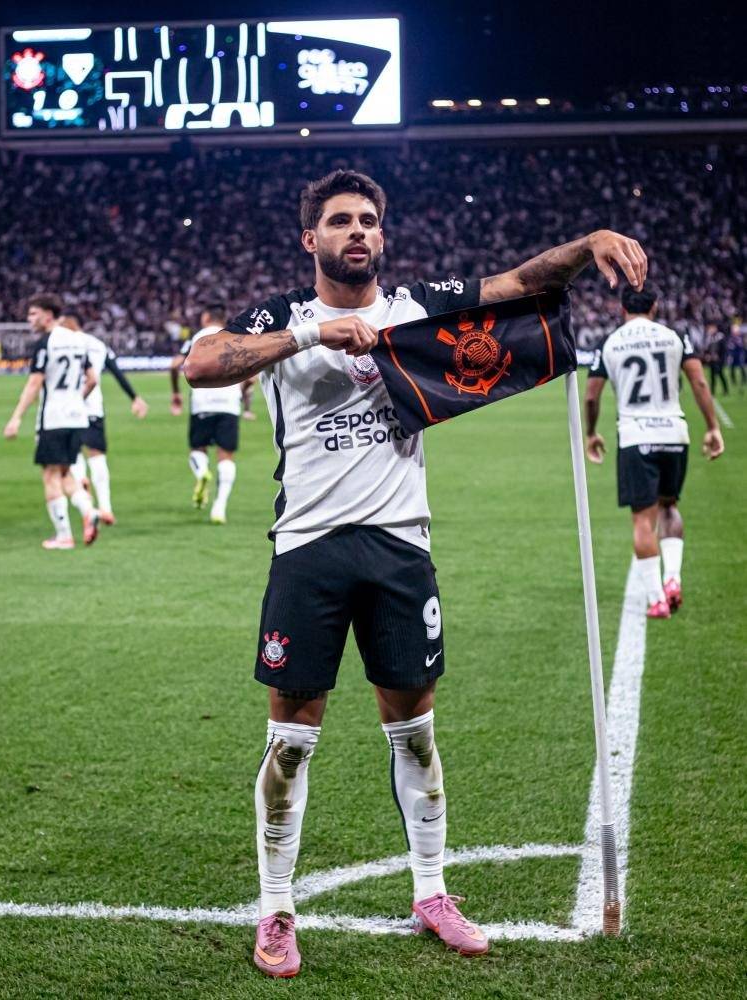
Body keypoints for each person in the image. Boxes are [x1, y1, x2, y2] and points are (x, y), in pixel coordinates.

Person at [183, 168, 649, 976]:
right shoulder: (283, 317)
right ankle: (277, 909)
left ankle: (432, 892)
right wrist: (310, 338)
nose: (356, 231)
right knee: (291, 742)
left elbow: (519, 286)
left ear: (383, 236)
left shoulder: (416, 309)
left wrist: (587, 245)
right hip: (308, 547)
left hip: (402, 547)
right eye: (339, 221)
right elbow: (202, 362)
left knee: (417, 731)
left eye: (368, 219)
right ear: (311, 239)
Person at [585, 285, 724, 617]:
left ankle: (656, 599)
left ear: (622, 309)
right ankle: (673, 579)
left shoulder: (611, 342)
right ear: (656, 306)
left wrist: (591, 433)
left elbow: (591, 396)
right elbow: (700, 383)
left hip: (636, 437)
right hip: (675, 433)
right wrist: (713, 427)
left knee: (642, 520)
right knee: (669, 507)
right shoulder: (676, 337)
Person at [3, 295, 100, 550]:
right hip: (77, 416)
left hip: (53, 417)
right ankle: (89, 511)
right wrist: (75, 401)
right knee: (65, 471)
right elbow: (92, 379)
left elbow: (35, 383)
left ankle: (64, 535)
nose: (29, 319)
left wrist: (16, 417)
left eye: (33, 314)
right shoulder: (78, 340)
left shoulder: (46, 343)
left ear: (48, 315)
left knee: (50, 476)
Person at [59, 312, 149, 525]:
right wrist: (134, 397)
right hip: (93, 408)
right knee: (97, 456)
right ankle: (106, 508)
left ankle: (80, 480)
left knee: (72, 452)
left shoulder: (62, 343)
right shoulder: (98, 345)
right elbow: (117, 372)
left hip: (68, 407)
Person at [170, 303, 253, 524]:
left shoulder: (198, 337)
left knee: (198, 449)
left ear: (206, 317)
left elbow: (175, 364)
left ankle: (201, 473)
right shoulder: (234, 336)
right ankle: (220, 507)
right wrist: (240, 393)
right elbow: (251, 376)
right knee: (226, 456)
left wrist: (176, 393)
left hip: (202, 401)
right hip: (229, 404)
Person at [704, 323, 729, 397]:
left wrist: (719, 357)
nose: (710, 330)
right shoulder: (709, 338)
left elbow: (724, 349)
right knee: (712, 377)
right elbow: (707, 349)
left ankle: (725, 390)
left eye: (711, 328)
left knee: (721, 375)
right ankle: (712, 392)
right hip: (712, 360)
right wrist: (707, 355)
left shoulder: (720, 337)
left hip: (719, 361)